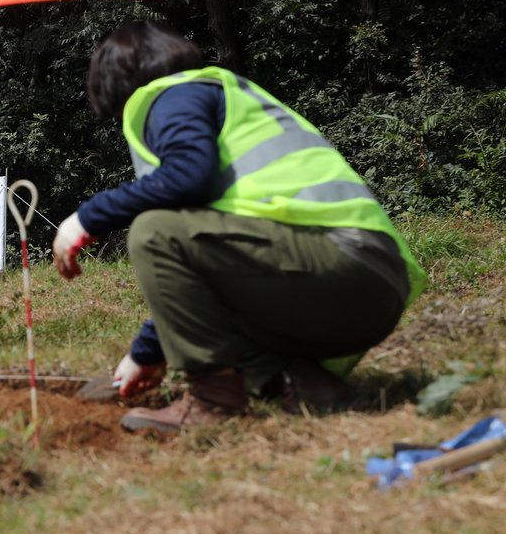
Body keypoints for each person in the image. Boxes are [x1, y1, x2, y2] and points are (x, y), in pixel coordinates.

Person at [50, 21, 425, 434]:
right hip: (371, 288)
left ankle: (214, 401)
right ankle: (306, 384)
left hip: (337, 267)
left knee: (153, 230)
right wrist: (147, 352)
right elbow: (210, 268)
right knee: (180, 246)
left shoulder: (172, 96)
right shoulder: (223, 96)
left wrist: (88, 216)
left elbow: (186, 177)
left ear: (119, 87)